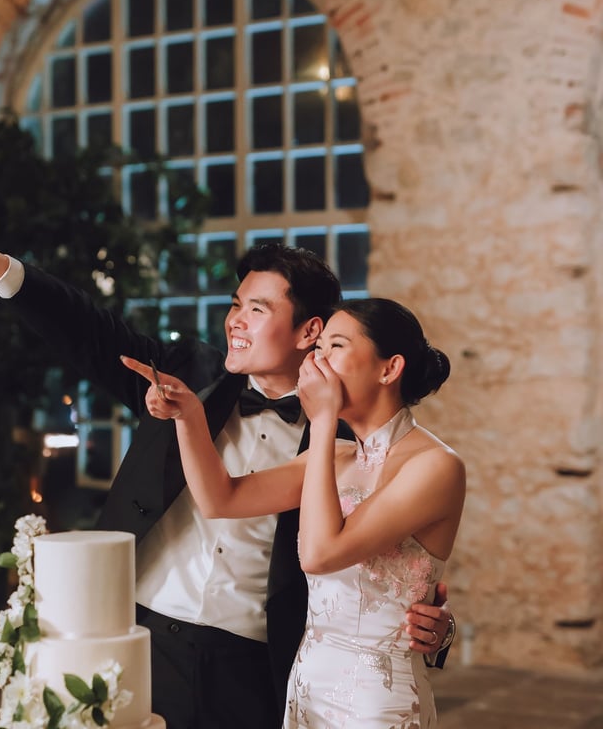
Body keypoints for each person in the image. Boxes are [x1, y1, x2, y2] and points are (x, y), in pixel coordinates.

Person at [0, 229, 454, 729]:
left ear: (310, 331)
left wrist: (436, 625)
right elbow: (87, 329)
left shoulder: (345, 438)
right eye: (236, 305)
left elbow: (395, 560)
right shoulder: (187, 377)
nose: (235, 320)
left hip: (257, 665)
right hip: (143, 637)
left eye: (257, 309)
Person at [122, 297, 466, 728]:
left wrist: (321, 422)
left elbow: (320, 555)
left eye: (335, 347)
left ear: (389, 368)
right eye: (317, 348)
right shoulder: (334, 455)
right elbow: (220, 499)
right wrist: (189, 416)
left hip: (376, 700)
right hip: (305, 685)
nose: (316, 362)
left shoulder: (435, 465)